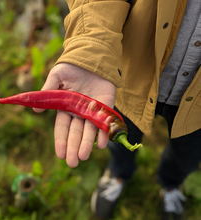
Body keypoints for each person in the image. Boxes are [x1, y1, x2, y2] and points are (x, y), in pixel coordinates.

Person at [34, 0, 201, 219]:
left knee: (188, 152)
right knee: (119, 134)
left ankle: (171, 184)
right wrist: (91, 46)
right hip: (132, 75)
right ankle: (119, 172)